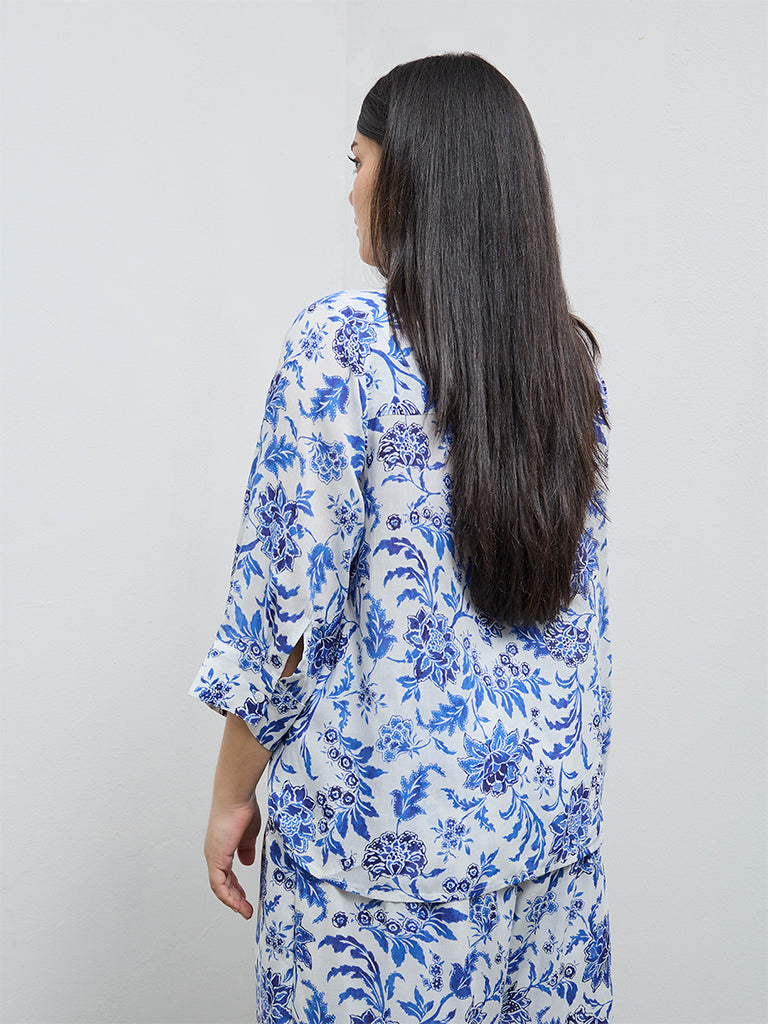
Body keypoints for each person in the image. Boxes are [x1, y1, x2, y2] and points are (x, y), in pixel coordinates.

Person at [191, 53, 612, 1024]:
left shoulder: (342, 343)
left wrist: (229, 797)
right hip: (550, 856)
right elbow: (575, 622)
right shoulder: (568, 367)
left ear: (414, 174)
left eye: (358, 161)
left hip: (380, 877)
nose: (350, 192)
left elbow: (284, 621)